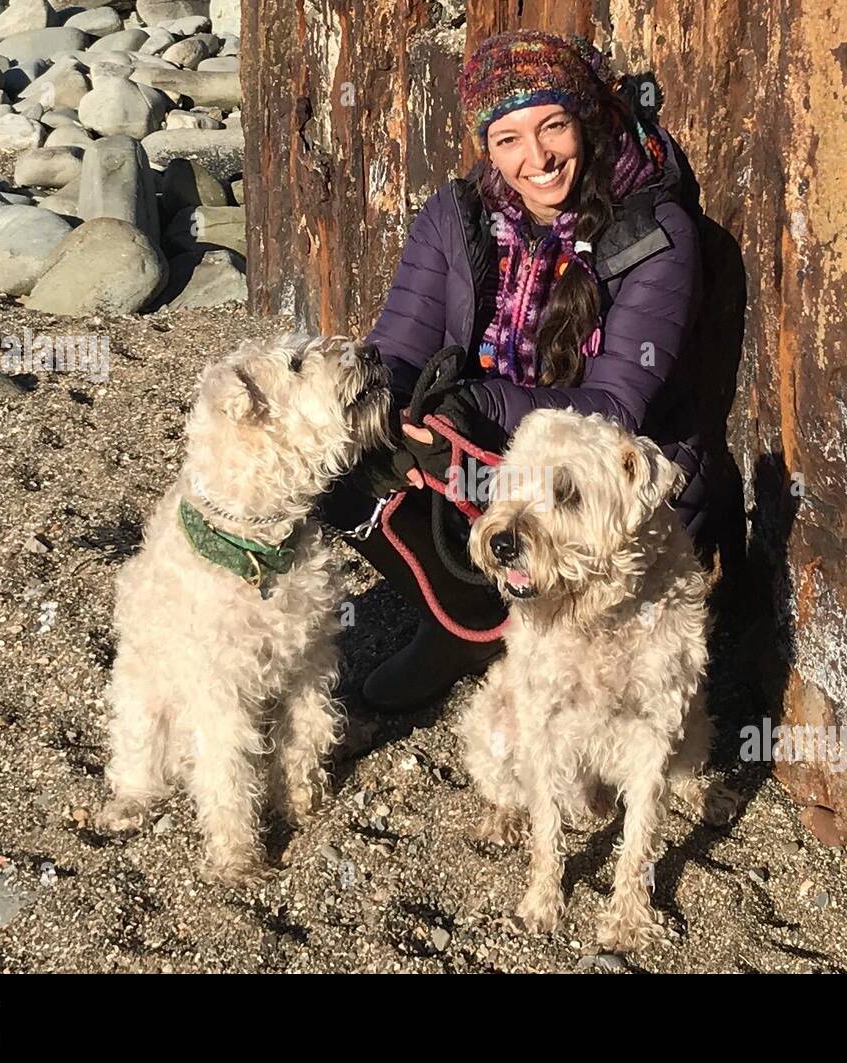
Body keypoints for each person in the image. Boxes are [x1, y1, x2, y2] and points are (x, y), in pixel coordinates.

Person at [320, 28, 713, 714]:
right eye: (508, 140)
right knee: (340, 457)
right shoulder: (456, 216)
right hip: (487, 446)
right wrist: (401, 415)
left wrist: (472, 409)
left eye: (554, 126)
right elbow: (400, 348)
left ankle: (503, 618)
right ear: (487, 148)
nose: (536, 158)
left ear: (585, 121)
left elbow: (616, 405)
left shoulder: (656, 235)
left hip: (593, 489)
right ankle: (464, 628)